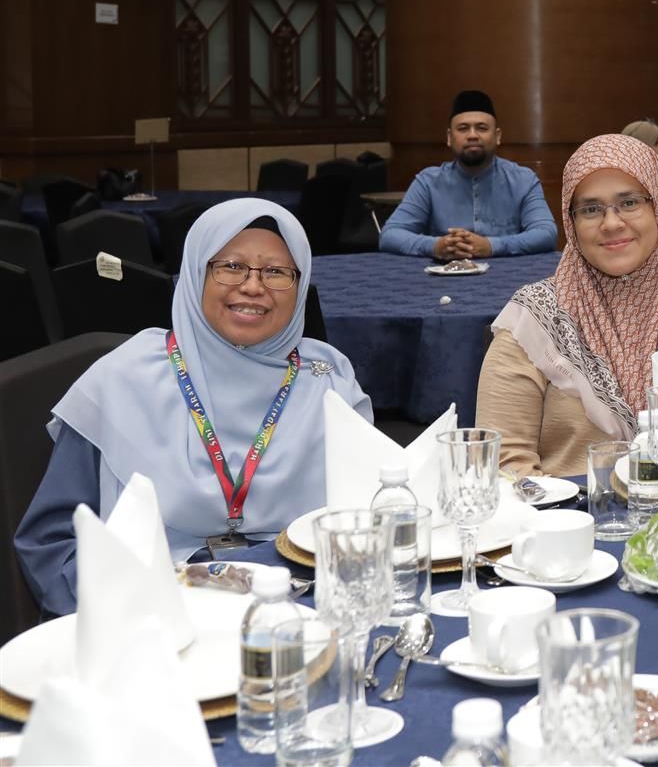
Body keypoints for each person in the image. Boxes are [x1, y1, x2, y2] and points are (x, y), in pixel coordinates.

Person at [15, 199, 373, 617]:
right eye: (231, 266)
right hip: (152, 607)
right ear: (196, 274)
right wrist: (115, 611)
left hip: (301, 606)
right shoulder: (123, 379)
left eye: (276, 272)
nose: (253, 286)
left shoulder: (327, 379)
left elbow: (370, 518)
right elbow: (52, 540)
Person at [477, 134, 658, 477]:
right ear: (571, 223)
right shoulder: (535, 320)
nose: (611, 223)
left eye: (630, 202)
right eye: (590, 209)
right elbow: (503, 466)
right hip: (563, 509)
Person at [379, 90, 557, 259]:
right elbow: (390, 235)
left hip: (509, 275)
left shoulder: (523, 180)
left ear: (497, 136)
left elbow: (546, 233)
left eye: (482, 128)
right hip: (443, 274)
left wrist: (492, 246)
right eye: (463, 128)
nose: (472, 135)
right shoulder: (428, 182)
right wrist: (436, 246)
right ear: (449, 137)